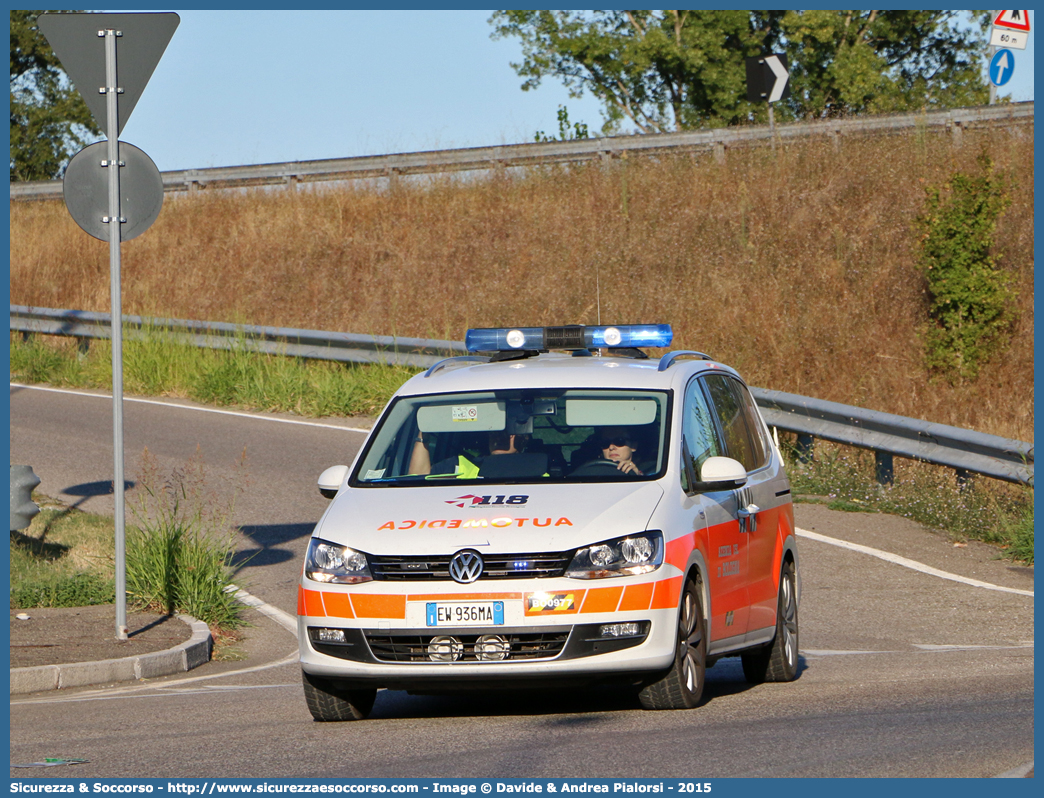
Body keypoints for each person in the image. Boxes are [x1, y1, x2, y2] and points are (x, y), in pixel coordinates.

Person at [409, 430, 528, 478]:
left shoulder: (541, 471)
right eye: (495, 430)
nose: (499, 437)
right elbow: (417, 481)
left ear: (523, 437)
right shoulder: (459, 465)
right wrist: (423, 434)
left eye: (509, 432)